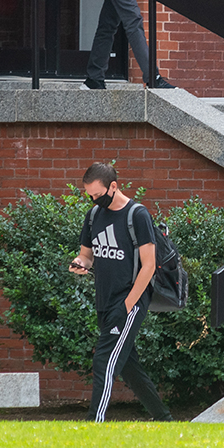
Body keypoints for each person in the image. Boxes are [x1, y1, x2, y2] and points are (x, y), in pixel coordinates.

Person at [68, 162, 173, 423]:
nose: (94, 200)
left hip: (129, 300)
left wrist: (127, 305)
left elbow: (149, 266)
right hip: (104, 300)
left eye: (98, 194)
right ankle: (164, 419)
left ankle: (95, 422)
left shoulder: (137, 215)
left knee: (104, 361)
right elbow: (86, 255)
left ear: (113, 186)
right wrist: (80, 264)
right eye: (90, 195)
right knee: (128, 366)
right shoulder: (94, 215)